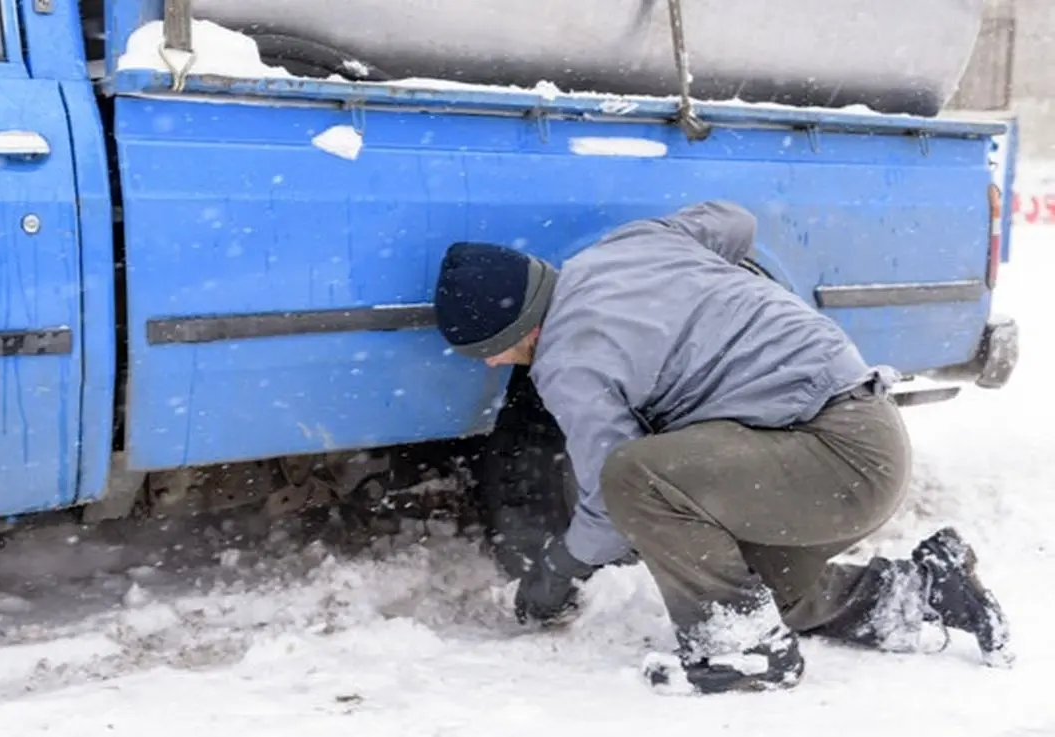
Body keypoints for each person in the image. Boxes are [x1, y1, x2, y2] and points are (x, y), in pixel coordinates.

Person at [432, 200, 1013, 695]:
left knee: (635, 475)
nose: (489, 362)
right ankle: (921, 591)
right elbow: (736, 221)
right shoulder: (634, 243)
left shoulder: (571, 361)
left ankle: (740, 648)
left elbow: (611, 498)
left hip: (835, 460)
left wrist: (556, 571)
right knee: (756, 586)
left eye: (491, 347)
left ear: (521, 329)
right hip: (862, 436)